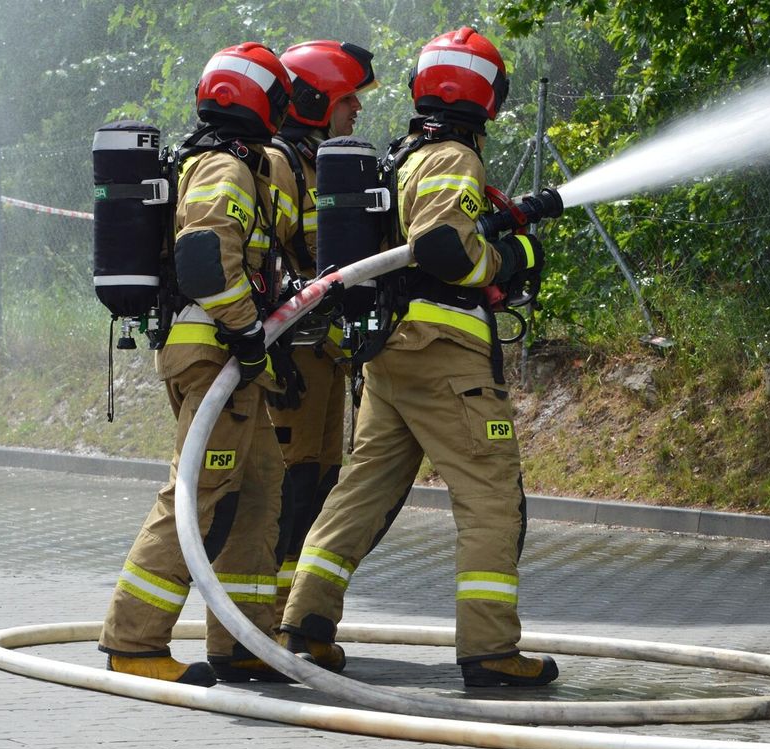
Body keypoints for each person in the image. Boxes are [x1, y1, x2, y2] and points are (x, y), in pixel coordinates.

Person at [278, 27, 557, 687]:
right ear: (483, 91)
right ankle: (489, 649)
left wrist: (499, 225)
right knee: (491, 494)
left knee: (362, 492)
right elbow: (445, 249)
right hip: (444, 356)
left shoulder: (407, 155)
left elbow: (430, 236)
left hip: (392, 356)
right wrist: (512, 260)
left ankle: (305, 626)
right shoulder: (453, 155)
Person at [98, 42, 298, 687]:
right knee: (197, 493)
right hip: (213, 350)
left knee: (260, 486)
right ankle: (134, 640)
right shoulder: (225, 168)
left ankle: (243, 639)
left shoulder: (233, 165)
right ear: (261, 100)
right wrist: (245, 332)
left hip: (221, 351)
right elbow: (204, 260)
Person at [262, 41, 377, 620]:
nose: (356, 109)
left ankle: (295, 612)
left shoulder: (321, 166)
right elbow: (267, 255)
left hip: (326, 351)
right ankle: (273, 613)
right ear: (312, 101)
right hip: (295, 354)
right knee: (295, 481)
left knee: (322, 478)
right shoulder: (281, 165)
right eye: (345, 99)